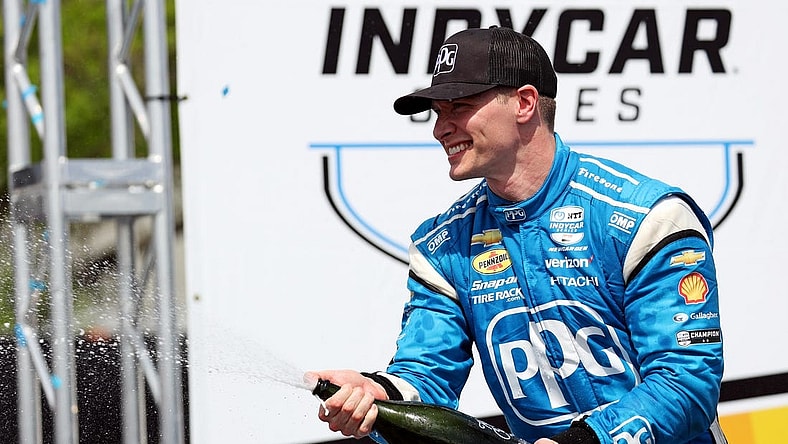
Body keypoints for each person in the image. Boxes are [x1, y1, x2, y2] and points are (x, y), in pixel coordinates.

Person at [308, 26, 726, 444]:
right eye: (437, 112)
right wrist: (376, 395)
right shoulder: (443, 246)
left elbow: (687, 382)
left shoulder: (645, 216)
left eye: (459, 106)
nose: (440, 128)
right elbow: (426, 376)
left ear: (525, 103)